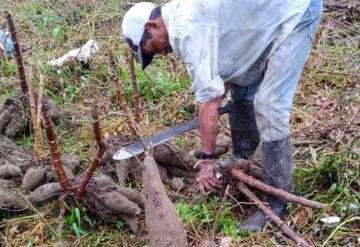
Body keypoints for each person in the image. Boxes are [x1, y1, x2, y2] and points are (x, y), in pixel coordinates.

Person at [121, 0, 322, 231]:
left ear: (152, 25)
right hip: (269, 17)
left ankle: (277, 202)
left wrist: (206, 161)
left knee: (269, 105)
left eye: (154, 48)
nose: (162, 54)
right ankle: (242, 156)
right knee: (239, 82)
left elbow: (210, 99)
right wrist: (212, 97)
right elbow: (221, 79)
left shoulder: (185, 30)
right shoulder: (181, 16)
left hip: (295, 13)